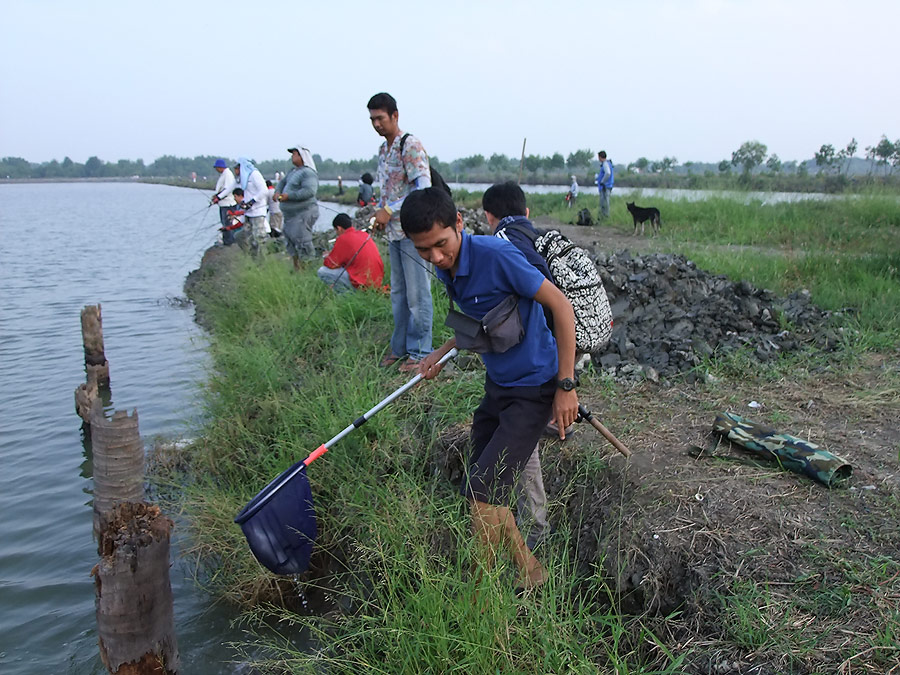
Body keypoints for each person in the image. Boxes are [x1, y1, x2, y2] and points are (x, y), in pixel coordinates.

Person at [402, 187, 579, 592]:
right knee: (480, 490)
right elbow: (477, 320)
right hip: (497, 388)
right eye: (423, 250)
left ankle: (482, 595)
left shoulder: (496, 256)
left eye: (441, 245)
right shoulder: (446, 268)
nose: (436, 258)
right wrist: (439, 352)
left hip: (533, 390)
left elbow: (561, 307)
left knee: (482, 497)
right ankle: (530, 568)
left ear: (459, 224)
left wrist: (566, 386)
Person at [481, 181, 565, 551]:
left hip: (534, 374)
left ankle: (535, 537)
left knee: (519, 453)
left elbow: (548, 303)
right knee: (516, 448)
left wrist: (564, 383)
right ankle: (530, 534)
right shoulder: (534, 238)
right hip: (551, 360)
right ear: (526, 212)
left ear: (488, 216)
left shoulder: (503, 248)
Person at [367, 92, 434, 373]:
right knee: (399, 294)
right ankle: (401, 347)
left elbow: (423, 187)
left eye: (380, 118)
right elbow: (390, 189)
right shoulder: (384, 150)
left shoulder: (410, 145)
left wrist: (391, 210)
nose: (376, 124)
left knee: (418, 295)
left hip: (413, 232)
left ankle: (420, 352)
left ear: (395, 116)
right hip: (393, 233)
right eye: (372, 119)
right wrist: (381, 213)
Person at [276, 145, 320, 270]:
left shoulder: (308, 173)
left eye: (294, 154)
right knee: (291, 242)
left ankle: (307, 269)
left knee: (303, 242)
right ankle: (297, 269)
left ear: (302, 156)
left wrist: (289, 196)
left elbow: (309, 191)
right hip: (290, 216)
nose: (292, 156)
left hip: (303, 213)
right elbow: (282, 183)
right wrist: (277, 192)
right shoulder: (292, 172)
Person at [317, 213, 384, 293]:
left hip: (362, 283)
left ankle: (345, 295)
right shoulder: (364, 234)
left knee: (322, 271)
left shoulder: (343, 239)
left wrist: (327, 256)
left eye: (336, 231)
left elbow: (331, 264)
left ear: (339, 228)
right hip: (376, 282)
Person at [233, 158, 268, 253]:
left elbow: (264, 190)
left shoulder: (254, 174)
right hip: (248, 214)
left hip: (257, 213)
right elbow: (249, 193)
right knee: (247, 239)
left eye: (237, 168)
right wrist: (244, 202)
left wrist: (252, 201)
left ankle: (263, 263)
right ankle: (252, 260)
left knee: (259, 239)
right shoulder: (245, 178)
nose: (235, 171)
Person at [211, 159, 237, 229]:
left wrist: (218, 197)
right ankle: (226, 239)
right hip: (223, 204)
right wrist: (216, 196)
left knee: (227, 224)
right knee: (224, 223)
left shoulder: (228, 174)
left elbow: (227, 189)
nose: (216, 169)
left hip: (228, 204)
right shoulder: (223, 174)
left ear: (220, 167)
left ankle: (229, 240)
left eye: (216, 168)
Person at [596, 151, 614, 219]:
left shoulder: (605, 164)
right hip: (607, 186)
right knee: (604, 202)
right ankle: (603, 216)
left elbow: (608, 173)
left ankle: (604, 217)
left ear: (600, 157)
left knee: (604, 202)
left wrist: (602, 181)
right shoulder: (608, 163)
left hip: (605, 187)